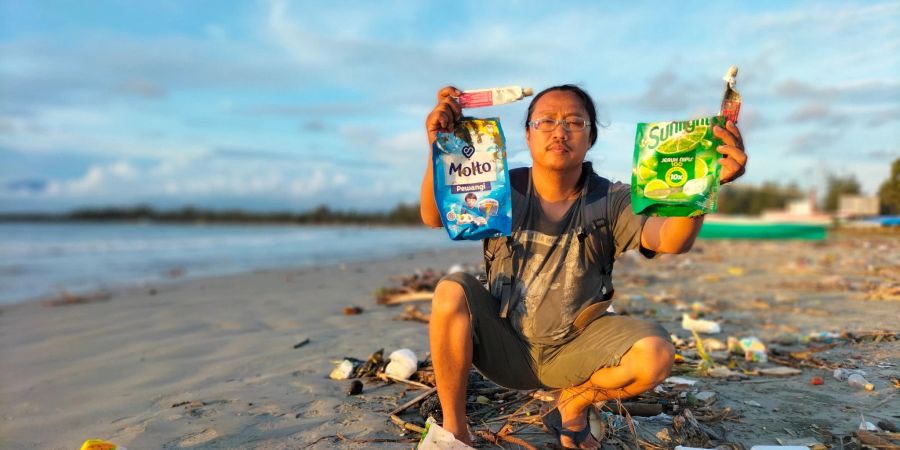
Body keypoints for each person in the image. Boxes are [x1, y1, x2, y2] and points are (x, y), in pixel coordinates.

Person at [420, 85, 747, 449]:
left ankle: (574, 403)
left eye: (575, 121)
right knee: (451, 290)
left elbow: (671, 239)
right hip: (504, 346)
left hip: (577, 352)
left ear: (591, 136)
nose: (560, 131)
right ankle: (455, 432)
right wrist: (439, 147)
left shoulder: (611, 199)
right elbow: (434, 217)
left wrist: (702, 188)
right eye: (546, 121)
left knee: (655, 353)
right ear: (527, 134)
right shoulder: (500, 189)